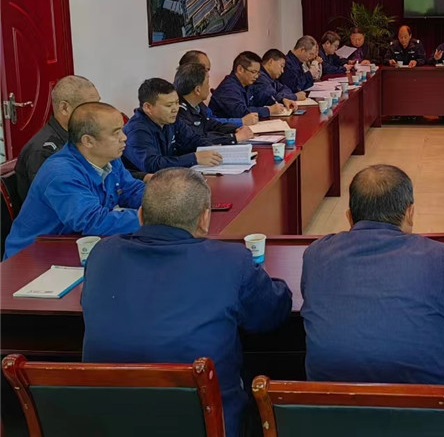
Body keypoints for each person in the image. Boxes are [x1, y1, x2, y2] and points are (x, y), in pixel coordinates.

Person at [81, 168, 292, 437]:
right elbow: (272, 314)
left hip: (111, 424)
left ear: (141, 215)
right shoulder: (231, 261)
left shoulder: (102, 254)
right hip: (209, 425)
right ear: (205, 218)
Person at [300, 164, 444, 384]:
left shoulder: (316, 254)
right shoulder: (437, 257)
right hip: (424, 405)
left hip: (325, 405)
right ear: (410, 213)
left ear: (350, 217)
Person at [4, 102, 144, 259]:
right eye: (116, 133)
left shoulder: (109, 159)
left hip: (74, 245)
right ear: (88, 141)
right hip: (33, 257)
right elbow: (92, 221)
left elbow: (132, 190)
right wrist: (147, 218)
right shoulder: (61, 173)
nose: (124, 138)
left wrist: (161, 204)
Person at [15, 75, 100, 199]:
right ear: (64, 108)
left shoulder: (80, 136)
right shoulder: (43, 151)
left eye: (99, 104)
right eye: (90, 107)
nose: (98, 113)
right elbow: (57, 200)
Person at [123, 79, 222, 173]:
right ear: (148, 107)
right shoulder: (137, 131)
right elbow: (152, 165)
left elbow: (193, 139)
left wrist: (211, 148)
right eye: (169, 105)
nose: (175, 109)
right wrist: (194, 158)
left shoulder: (171, 119)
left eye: (177, 103)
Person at [175, 63, 254, 146]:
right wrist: (234, 137)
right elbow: (198, 139)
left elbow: (213, 125)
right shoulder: (180, 112)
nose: (209, 86)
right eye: (207, 83)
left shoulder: (198, 105)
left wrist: (235, 129)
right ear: (197, 90)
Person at [179, 50, 255, 128]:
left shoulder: (198, 103)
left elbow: (211, 121)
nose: (208, 74)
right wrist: (241, 122)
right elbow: (207, 127)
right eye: (205, 70)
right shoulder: (179, 105)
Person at [209, 52, 287, 121]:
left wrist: (283, 100)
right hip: (223, 130)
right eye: (253, 72)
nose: (257, 76)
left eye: (258, 73)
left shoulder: (247, 84)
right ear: (240, 69)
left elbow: (260, 99)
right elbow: (242, 112)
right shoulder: (228, 88)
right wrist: (269, 110)